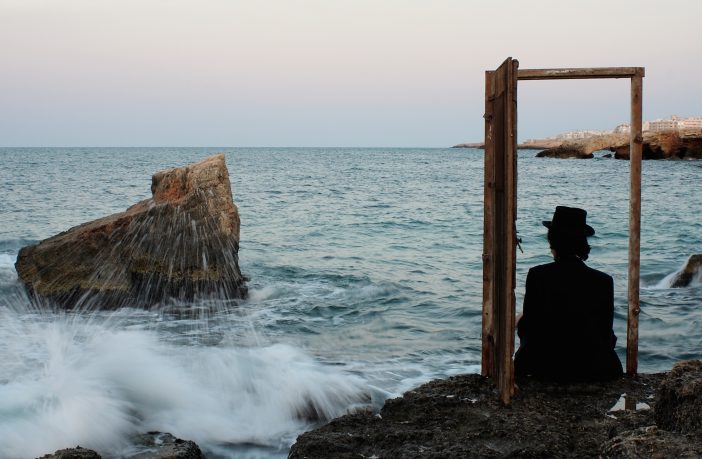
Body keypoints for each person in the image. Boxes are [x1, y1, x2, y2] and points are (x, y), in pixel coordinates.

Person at [514, 206, 623, 382]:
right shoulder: (604, 281)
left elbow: (530, 329)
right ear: (582, 242)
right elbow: (605, 333)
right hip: (593, 368)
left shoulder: (537, 275)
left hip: (545, 366)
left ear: (553, 240)